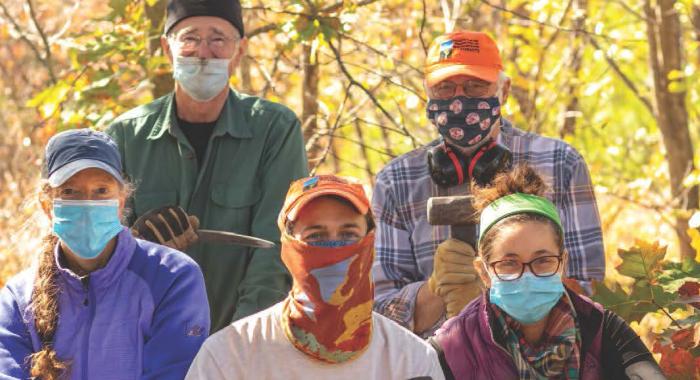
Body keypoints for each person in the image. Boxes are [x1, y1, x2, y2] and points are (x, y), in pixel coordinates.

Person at [372, 30, 605, 335]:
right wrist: (436, 288)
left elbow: (589, 290)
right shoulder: (396, 181)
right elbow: (380, 315)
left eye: (475, 86)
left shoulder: (560, 163)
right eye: (445, 88)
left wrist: (507, 289)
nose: (459, 100)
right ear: (427, 93)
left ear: (503, 90)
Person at [107, 0, 308, 332]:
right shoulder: (126, 136)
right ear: (167, 49)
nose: (203, 52)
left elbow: (277, 249)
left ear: (239, 51)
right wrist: (139, 244)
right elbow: (107, 254)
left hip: (244, 340)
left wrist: (238, 342)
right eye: (189, 38)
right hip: (147, 337)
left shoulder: (274, 129)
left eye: (218, 39)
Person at [186, 175, 445, 380]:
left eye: (348, 234)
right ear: (287, 246)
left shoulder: (410, 359)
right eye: (315, 236)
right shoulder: (229, 355)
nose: (334, 250)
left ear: (370, 241)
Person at [0, 129, 209, 380]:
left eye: (101, 191)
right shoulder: (19, 298)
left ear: (121, 201)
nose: (87, 203)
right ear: (47, 205)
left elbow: (173, 372)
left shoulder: (173, 277)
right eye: (70, 192)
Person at [429, 165, 665, 379]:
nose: (527, 276)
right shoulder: (453, 347)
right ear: (483, 272)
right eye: (509, 264)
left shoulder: (601, 330)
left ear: (562, 263)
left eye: (542, 260)